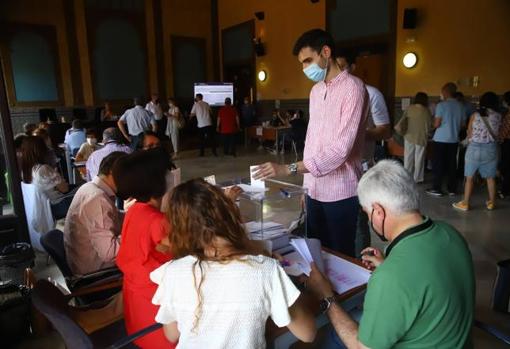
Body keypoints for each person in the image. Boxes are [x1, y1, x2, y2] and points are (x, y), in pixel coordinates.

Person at [307, 160, 475, 349]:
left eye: (367, 213)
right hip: (453, 340)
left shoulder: (391, 277)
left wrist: (326, 298)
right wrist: (389, 264)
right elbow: (427, 272)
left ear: (378, 212)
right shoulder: (450, 234)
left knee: (333, 335)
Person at [151, 179, 316, 348]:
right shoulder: (265, 270)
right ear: (231, 213)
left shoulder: (173, 272)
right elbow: (308, 333)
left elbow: (171, 335)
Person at [254, 29, 368, 257]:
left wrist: (289, 168)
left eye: (308, 60)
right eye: (302, 63)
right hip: (314, 191)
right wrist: (307, 189)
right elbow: (312, 142)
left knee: (339, 255)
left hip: (341, 192)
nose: (305, 68)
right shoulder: (316, 91)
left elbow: (341, 150)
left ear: (326, 52)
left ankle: (338, 295)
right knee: (316, 252)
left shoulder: (353, 88)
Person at [114, 148, 176, 349]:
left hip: (138, 318)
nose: (172, 175)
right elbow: (192, 251)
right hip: (160, 325)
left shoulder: (135, 211)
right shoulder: (158, 221)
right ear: (157, 181)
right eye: (168, 172)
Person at [64, 152, 126, 275]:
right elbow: (110, 253)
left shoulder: (89, 187)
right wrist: (136, 233)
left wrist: (134, 216)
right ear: (114, 172)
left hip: (84, 264)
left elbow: (113, 217)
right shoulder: (97, 199)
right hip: (96, 276)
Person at [453, 92, 502, 211]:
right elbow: (498, 133)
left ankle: (465, 203)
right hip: (490, 149)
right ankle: (491, 203)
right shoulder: (498, 116)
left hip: (474, 148)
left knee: (469, 177)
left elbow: (469, 132)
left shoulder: (475, 115)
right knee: (490, 178)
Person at [20, 136, 79, 219]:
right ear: (41, 150)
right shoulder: (43, 169)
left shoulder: (25, 171)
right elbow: (64, 189)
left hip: (47, 207)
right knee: (88, 191)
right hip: (59, 205)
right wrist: (57, 174)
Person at [425, 82, 465, 197]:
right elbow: (462, 125)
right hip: (454, 139)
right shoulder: (460, 106)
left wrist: (432, 125)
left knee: (438, 164)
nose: (441, 93)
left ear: (446, 92)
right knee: (452, 164)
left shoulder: (441, 105)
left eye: (442, 91)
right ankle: (452, 189)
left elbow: (437, 124)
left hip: (441, 139)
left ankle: (437, 188)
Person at [401, 92, 432, 183]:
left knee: (408, 158)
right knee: (419, 158)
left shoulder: (409, 108)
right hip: (421, 137)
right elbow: (429, 125)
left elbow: (403, 120)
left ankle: (407, 177)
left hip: (409, 136)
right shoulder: (427, 111)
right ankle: (418, 178)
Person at [499, 91, 510, 198]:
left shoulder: (508, 116)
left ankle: (504, 191)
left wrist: (499, 141)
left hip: (508, 144)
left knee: (506, 167)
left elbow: (503, 132)